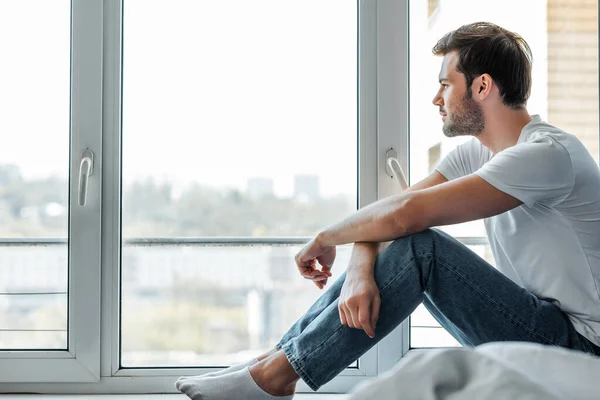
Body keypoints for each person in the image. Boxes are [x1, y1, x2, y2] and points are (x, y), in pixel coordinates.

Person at [175, 21, 600, 400]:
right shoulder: (478, 153)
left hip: (583, 349)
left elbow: (404, 216)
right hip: (544, 327)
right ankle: (272, 366)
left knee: (424, 249)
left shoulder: (546, 154)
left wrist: (325, 238)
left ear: (482, 86)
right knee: (413, 241)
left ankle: (274, 376)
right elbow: (390, 212)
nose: (437, 98)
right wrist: (360, 267)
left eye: (446, 84)